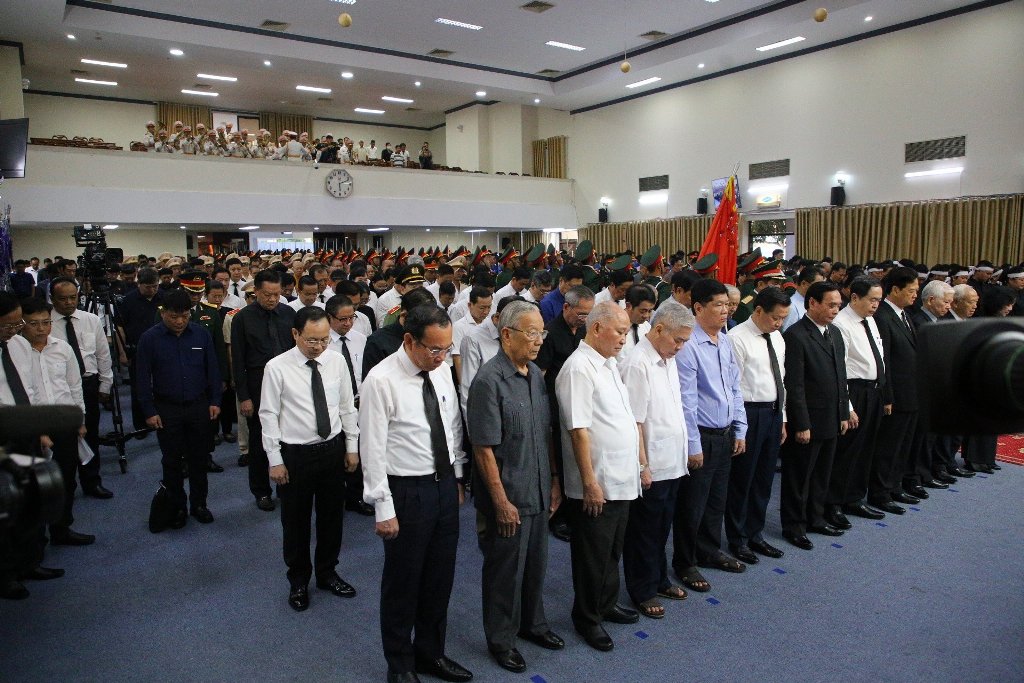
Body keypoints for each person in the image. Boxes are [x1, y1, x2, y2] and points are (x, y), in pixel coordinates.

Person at [360, 305, 473, 683]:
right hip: (405, 490)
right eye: (434, 350)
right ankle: (401, 665)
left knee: (439, 578)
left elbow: (452, 425)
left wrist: (457, 477)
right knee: (403, 584)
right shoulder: (381, 379)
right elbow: (372, 448)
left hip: (443, 487)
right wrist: (382, 506)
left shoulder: (439, 374)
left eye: (447, 349)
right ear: (409, 340)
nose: (442, 358)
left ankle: (431, 654)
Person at [467, 301, 563, 673]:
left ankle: (532, 624)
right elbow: (484, 449)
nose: (538, 340)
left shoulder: (535, 374)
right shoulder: (488, 381)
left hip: (537, 490)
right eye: (531, 333)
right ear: (507, 335)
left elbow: (545, 433)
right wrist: (501, 502)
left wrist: (554, 480)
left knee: (536, 565)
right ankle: (501, 640)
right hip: (507, 496)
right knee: (503, 572)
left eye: (542, 332)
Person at [260, 307, 360, 612]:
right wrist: (274, 459)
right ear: (295, 334)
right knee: (296, 523)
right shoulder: (276, 367)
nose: (318, 346)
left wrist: (352, 446)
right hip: (295, 456)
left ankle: (327, 573)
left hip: (331, 450)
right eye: (311, 341)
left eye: (324, 340)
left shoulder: (336, 361)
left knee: (332, 519)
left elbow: (346, 405)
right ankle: (299, 580)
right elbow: (269, 415)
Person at [556, 301, 640, 652]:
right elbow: (579, 430)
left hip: (620, 478)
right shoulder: (578, 368)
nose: (624, 338)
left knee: (611, 551)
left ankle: (606, 604)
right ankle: (587, 618)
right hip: (598, 481)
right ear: (596, 329)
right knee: (592, 557)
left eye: (626, 332)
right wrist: (589, 482)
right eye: (619, 332)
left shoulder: (607, 363)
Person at [619, 304, 694, 619]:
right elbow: (634, 421)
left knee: (662, 526)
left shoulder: (667, 357)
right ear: (659, 328)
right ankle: (642, 589)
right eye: (677, 340)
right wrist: (642, 465)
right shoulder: (638, 363)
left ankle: (660, 578)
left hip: (673, 459)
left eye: (685, 342)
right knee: (643, 532)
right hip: (653, 462)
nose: (680, 347)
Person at [673, 278, 748, 591]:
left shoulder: (725, 340)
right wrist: (693, 445)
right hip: (701, 435)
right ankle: (685, 562)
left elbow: (734, 387)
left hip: (725, 431)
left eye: (728, 305)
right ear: (698, 307)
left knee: (717, 499)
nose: (726, 311)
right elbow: (686, 401)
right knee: (692, 504)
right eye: (718, 305)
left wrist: (740, 428)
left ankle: (708, 550)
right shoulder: (688, 345)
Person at [134, 290, 222, 527]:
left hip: (199, 407)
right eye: (174, 316)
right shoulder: (149, 339)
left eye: (184, 316)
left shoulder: (201, 335)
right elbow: (142, 378)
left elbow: (213, 370)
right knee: (171, 461)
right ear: (163, 313)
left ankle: (199, 504)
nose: (180, 321)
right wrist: (149, 411)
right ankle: (178, 507)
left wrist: (215, 400)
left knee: (198, 459)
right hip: (166, 408)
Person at [779, 281, 852, 551]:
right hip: (808, 421)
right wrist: (802, 423)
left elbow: (840, 376)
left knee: (822, 473)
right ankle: (794, 525)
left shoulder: (834, 333)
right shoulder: (797, 336)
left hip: (832, 417)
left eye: (838, 305)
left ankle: (816, 518)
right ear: (812, 303)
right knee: (800, 476)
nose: (836, 310)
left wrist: (843, 412)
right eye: (830, 305)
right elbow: (795, 385)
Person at [20, 298, 95, 547]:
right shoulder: (15, 353)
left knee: (65, 480)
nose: (41, 329)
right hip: (32, 428)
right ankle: (36, 541)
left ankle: (62, 529)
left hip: (64, 424)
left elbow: (74, 385)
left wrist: (80, 419)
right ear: (22, 324)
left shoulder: (62, 348)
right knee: (37, 487)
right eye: (34, 324)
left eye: (46, 322)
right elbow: (21, 395)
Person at [725, 287, 791, 563]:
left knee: (764, 480)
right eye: (775, 318)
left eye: (783, 319)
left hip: (774, 413)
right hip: (749, 414)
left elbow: (781, 380)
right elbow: (734, 386)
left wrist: (784, 417)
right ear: (759, 311)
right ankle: (737, 539)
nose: (778, 324)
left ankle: (756, 534)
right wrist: (739, 428)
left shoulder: (777, 338)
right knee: (743, 479)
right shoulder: (737, 338)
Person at [825, 278, 889, 528]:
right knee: (847, 451)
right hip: (854, 391)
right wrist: (847, 405)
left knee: (866, 449)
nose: (876, 305)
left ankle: (854, 497)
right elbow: (840, 369)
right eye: (872, 300)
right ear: (854, 298)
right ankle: (834, 503)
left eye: (878, 300)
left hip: (873, 390)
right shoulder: (841, 324)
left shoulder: (870, 320)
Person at [230, 270, 296, 512]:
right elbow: (237, 361)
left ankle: (285, 486)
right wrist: (244, 397)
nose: (272, 299)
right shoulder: (242, 318)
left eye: (277, 294)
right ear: (255, 292)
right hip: (257, 384)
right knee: (260, 441)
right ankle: (261, 491)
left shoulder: (289, 313)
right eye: (267, 294)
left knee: (288, 438)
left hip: (288, 384)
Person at [535, 285, 595, 542]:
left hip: (581, 403)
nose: (584, 319)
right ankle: (559, 516)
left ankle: (576, 510)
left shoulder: (584, 331)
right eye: (581, 313)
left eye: (588, 314)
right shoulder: (550, 332)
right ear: (566, 307)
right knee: (560, 461)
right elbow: (540, 375)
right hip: (556, 406)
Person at [48, 277, 115, 499]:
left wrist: (106, 383)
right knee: (62, 440)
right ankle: (64, 487)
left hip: (88, 383)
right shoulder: (44, 323)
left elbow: (103, 354)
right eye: (62, 299)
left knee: (90, 434)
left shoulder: (91, 320)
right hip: (58, 388)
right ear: (52, 299)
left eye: (72, 297)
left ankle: (91, 481)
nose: (68, 303)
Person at [868, 267, 923, 514]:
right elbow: (885, 361)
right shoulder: (883, 316)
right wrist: (887, 395)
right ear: (896, 289)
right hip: (895, 394)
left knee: (903, 444)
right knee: (889, 445)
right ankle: (881, 491)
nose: (915, 295)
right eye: (911, 291)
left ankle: (895, 485)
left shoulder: (904, 314)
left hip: (911, 391)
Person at [325, 294, 374, 517]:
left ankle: (356, 496)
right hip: (333, 406)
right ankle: (335, 497)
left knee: (360, 450)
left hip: (359, 402)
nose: (347, 323)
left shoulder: (360, 338)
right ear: (329, 318)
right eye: (342, 319)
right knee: (337, 453)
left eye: (351, 318)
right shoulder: (321, 341)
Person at [117, 267, 163, 431]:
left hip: (162, 350)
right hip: (137, 350)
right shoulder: (128, 300)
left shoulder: (164, 297)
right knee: (139, 388)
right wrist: (122, 353)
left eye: (155, 286)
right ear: (139, 284)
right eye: (148, 287)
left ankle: (160, 419)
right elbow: (120, 328)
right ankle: (140, 425)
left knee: (162, 385)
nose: (152, 290)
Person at [619, 284, 657, 359]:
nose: (646, 316)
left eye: (650, 311)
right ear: (628, 306)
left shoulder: (647, 327)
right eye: (643, 311)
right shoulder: (614, 327)